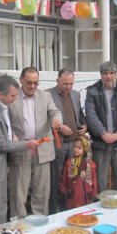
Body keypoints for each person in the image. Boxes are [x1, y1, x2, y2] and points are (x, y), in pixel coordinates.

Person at [0, 75, 39, 225]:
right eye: (13, 95)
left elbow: (6, 129)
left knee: (3, 201)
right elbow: (1, 144)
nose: (16, 98)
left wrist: (14, 135)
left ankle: (3, 233)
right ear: (0, 95)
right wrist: (26, 144)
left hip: (1, 160)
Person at [8, 67, 62, 217]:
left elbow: (55, 112)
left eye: (36, 83)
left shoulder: (45, 96)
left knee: (41, 191)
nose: (32, 86)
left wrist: (56, 120)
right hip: (21, 149)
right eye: (29, 83)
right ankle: (19, 225)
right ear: (21, 81)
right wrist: (11, 135)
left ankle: (39, 222)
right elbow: (5, 121)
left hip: (43, 149)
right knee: (19, 192)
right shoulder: (12, 97)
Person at [85, 61, 117, 193]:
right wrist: (103, 133)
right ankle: (101, 210)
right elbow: (90, 115)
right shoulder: (92, 91)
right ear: (101, 75)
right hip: (101, 143)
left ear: (116, 75)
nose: (108, 76)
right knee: (100, 181)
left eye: (111, 73)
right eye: (105, 73)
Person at [47, 68, 87, 213]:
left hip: (74, 143)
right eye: (65, 83)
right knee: (56, 178)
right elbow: (44, 119)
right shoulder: (47, 95)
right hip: (58, 143)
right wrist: (59, 128)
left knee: (72, 177)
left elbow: (80, 114)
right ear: (57, 80)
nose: (69, 87)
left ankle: (69, 208)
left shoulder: (76, 95)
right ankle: (54, 211)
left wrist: (84, 125)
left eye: (71, 84)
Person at [59, 136, 97, 209]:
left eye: (79, 148)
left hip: (86, 195)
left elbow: (94, 180)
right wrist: (64, 191)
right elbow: (64, 178)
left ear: (85, 149)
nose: (76, 149)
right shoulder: (69, 162)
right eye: (75, 147)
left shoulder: (91, 164)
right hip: (72, 195)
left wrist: (93, 194)